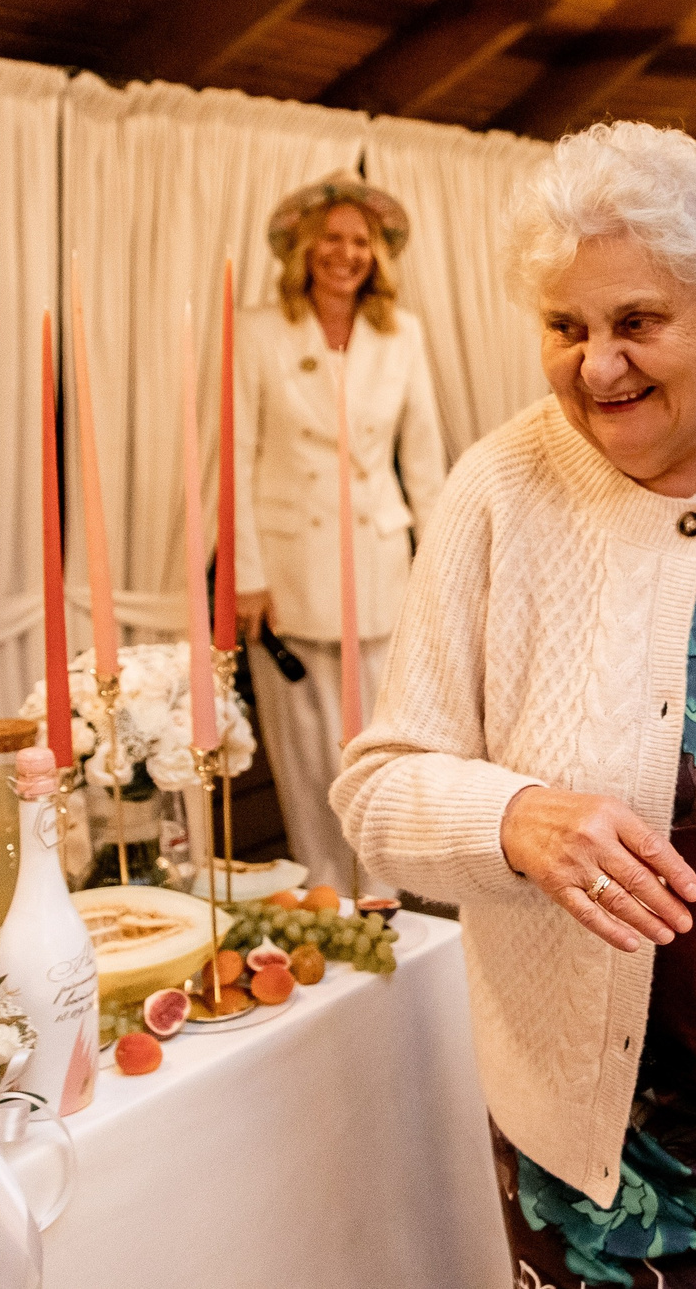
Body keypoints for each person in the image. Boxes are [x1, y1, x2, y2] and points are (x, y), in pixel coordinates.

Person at [332, 124, 696, 1288]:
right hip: (613, 1122)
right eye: (566, 327)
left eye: (636, 323)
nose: (597, 365)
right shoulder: (496, 492)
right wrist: (513, 819)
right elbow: (378, 783)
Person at [233, 173, 446, 891]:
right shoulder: (257, 331)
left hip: (383, 568)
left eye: (359, 241)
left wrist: (442, 566)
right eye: (331, 239)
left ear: (377, 255)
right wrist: (244, 575)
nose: (345, 253)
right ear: (303, 248)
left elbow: (422, 457)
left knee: (378, 745)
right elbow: (234, 454)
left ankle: (388, 889)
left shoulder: (402, 333)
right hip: (290, 577)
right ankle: (326, 890)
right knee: (306, 753)